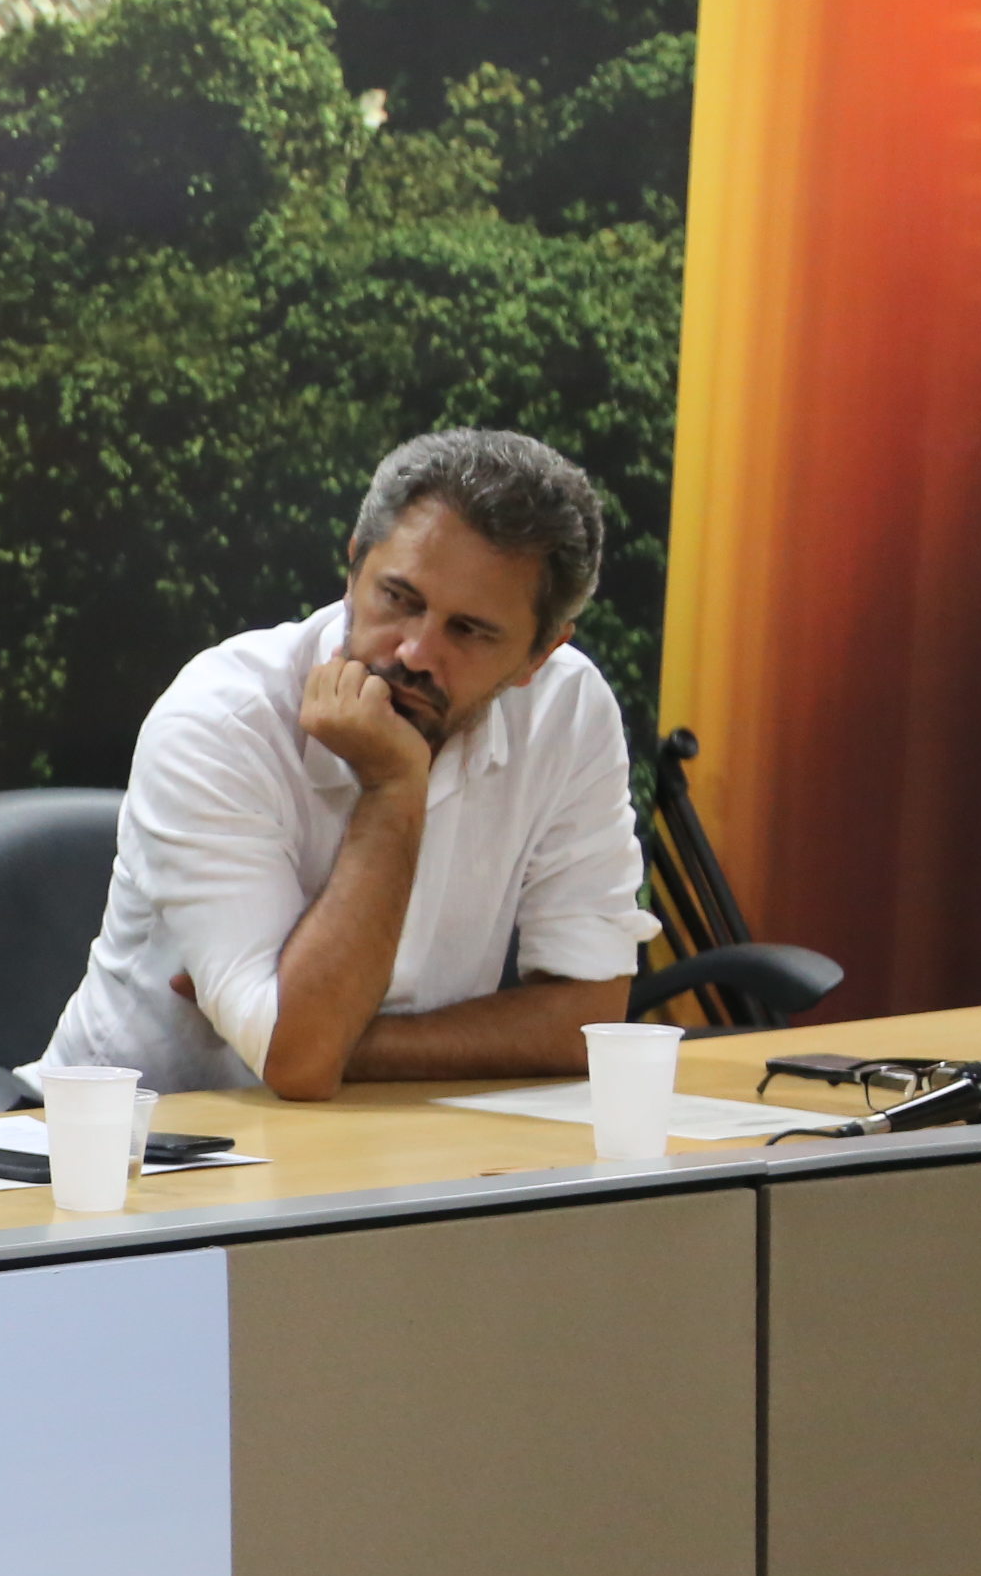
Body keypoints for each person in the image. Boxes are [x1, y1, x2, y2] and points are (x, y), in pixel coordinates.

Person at [44, 428, 660, 1101]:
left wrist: (331, 1040)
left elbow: (585, 1022)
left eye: (469, 630)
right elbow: (302, 1066)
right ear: (352, 567)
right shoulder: (221, 718)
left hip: (386, 1129)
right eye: (399, 599)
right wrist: (393, 788)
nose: (416, 652)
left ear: (539, 654)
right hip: (129, 1136)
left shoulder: (567, 709)